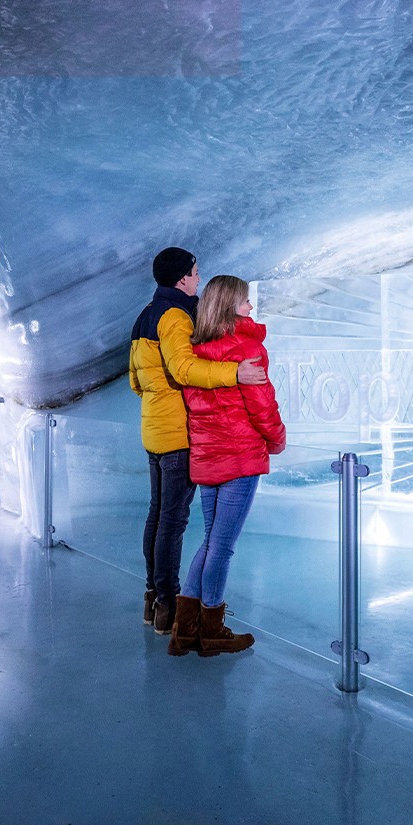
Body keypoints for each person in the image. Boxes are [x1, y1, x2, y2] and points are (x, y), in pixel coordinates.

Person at [129, 248, 265, 635]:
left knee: (158, 515)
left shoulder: (145, 316)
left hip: (153, 429)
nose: (198, 279)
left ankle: (152, 597)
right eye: (195, 273)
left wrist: (157, 399)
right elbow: (185, 368)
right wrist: (235, 373)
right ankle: (167, 606)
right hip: (176, 433)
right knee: (173, 521)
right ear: (183, 279)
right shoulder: (174, 317)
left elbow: (135, 381)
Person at [168, 275, 286, 657]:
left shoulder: (195, 350)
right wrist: (278, 440)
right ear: (231, 305)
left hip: (208, 460)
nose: (251, 308)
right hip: (240, 457)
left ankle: (184, 631)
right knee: (223, 547)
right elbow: (262, 404)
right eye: (245, 302)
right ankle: (212, 631)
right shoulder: (247, 346)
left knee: (210, 542)